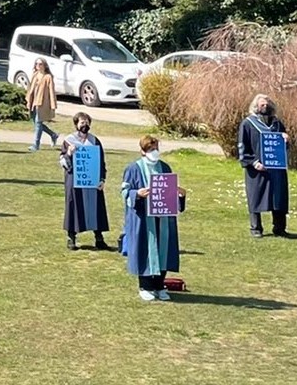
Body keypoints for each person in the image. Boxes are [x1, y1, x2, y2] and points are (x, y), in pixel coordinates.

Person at [120, 134, 183, 302]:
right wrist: (137, 194)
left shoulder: (165, 167)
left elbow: (170, 191)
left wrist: (180, 196)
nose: (154, 152)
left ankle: (159, 285)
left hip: (163, 218)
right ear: (142, 151)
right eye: (150, 149)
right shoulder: (133, 169)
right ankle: (145, 285)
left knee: (164, 251)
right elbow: (125, 192)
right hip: (143, 218)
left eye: (156, 149)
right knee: (145, 250)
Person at [237, 94, 291, 238]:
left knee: (278, 197)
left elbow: (283, 148)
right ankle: (256, 228)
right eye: (262, 105)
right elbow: (242, 147)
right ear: (256, 106)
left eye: (267, 105)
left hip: (276, 169)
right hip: (256, 168)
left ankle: (279, 228)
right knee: (256, 197)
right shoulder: (248, 124)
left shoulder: (277, 124)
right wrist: (253, 162)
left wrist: (286, 140)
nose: (265, 107)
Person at [60, 112, 109, 251]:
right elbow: (62, 161)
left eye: (87, 122)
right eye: (82, 122)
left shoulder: (94, 141)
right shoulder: (69, 141)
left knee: (96, 207)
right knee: (73, 207)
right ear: (76, 124)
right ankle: (71, 238)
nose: (85, 124)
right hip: (75, 179)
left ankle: (99, 239)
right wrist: (69, 153)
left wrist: (102, 179)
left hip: (92, 180)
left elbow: (101, 161)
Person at [25, 58, 60, 151]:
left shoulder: (48, 77)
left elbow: (51, 91)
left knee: (38, 123)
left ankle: (36, 145)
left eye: (40, 64)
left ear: (44, 65)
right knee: (36, 123)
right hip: (34, 102)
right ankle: (53, 134)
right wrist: (28, 99)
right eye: (36, 64)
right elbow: (30, 89)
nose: (38, 65)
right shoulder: (35, 75)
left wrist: (53, 105)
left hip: (42, 103)